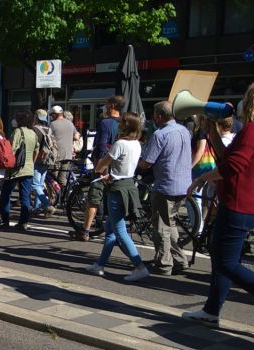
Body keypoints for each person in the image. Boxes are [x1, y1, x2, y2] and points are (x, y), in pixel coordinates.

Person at [182, 82, 254, 339]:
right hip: (245, 204)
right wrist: (211, 133)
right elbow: (228, 157)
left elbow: (234, 166)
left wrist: (200, 179)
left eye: (246, 98)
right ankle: (211, 312)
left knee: (227, 263)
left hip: (239, 204)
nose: (241, 103)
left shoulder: (253, 129)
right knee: (220, 260)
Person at [85, 112, 150, 281]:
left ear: (125, 126)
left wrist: (102, 170)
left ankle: (139, 266)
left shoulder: (120, 144)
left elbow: (101, 165)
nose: (118, 125)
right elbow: (125, 168)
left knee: (120, 231)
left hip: (117, 189)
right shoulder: (137, 144)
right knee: (110, 230)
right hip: (128, 185)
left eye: (121, 123)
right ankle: (100, 264)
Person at [138, 101, 193, 276]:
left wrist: (137, 163)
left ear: (159, 116)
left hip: (165, 185)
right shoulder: (184, 130)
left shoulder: (160, 134)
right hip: (184, 184)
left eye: (155, 114)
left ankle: (164, 263)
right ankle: (180, 260)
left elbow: (147, 162)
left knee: (161, 226)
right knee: (171, 224)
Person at [72, 96, 122, 241]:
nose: (105, 107)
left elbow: (101, 146)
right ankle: (116, 230)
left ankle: (85, 231)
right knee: (116, 197)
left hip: (106, 163)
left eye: (107, 104)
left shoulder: (105, 123)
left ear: (112, 105)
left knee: (94, 196)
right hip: (122, 165)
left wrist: (98, 166)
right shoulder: (126, 121)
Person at [0, 110, 38, 231]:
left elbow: (11, 150)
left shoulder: (17, 131)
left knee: (5, 195)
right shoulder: (33, 133)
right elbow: (37, 150)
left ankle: (5, 220)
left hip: (15, 169)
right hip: (29, 168)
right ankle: (23, 222)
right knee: (25, 196)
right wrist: (31, 162)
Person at [30, 109, 55, 217]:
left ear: (36, 116)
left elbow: (33, 146)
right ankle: (37, 207)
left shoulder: (34, 129)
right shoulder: (49, 129)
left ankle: (47, 205)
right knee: (40, 184)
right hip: (47, 160)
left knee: (35, 185)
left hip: (38, 159)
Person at [49, 106, 81, 188]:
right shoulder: (70, 123)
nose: (51, 117)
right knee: (62, 178)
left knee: (53, 178)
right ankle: (64, 197)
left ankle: (55, 199)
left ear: (54, 114)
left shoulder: (53, 124)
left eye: (51, 115)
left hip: (56, 156)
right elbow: (77, 137)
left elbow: (48, 139)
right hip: (68, 155)